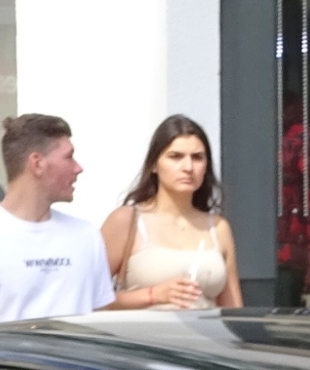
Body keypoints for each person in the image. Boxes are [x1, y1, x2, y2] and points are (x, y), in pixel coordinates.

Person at [0, 114, 118, 329]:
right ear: (37, 163)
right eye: (69, 157)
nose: (78, 168)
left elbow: (101, 325)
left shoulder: (87, 236)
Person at [100, 114, 243, 311]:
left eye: (197, 158)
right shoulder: (127, 220)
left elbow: (233, 309)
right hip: (144, 339)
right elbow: (86, 297)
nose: (188, 167)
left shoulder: (218, 227)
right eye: (175, 157)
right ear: (154, 165)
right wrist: (153, 295)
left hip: (206, 339)